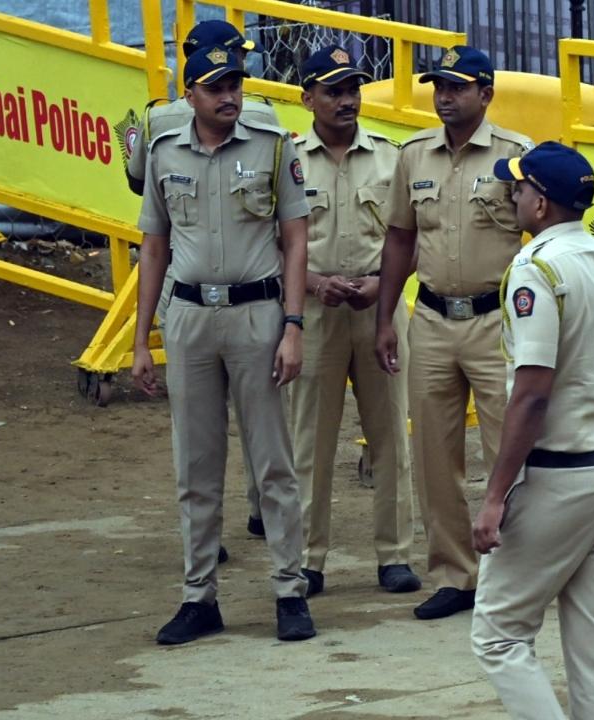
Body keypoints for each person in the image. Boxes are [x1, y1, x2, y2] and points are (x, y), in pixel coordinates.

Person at [132, 45, 316, 644]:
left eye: (234, 83)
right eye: (214, 86)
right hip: (188, 318)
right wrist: (141, 341)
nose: (228, 96)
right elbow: (153, 249)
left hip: (257, 316)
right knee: (196, 464)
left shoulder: (271, 145)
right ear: (190, 95)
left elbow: (295, 240)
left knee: (273, 463)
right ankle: (198, 596)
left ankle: (291, 591)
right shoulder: (162, 152)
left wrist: (293, 325)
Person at [470, 141, 594, 720]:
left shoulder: (536, 269)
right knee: (593, 645)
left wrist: (496, 496)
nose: (514, 195)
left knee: (499, 637)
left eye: (521, 188)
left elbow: (531, 394)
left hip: (559, 478)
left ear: (543, 205)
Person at [375, 45, 532, 621]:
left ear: (485, 94)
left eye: (458, 87)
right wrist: (386, 319)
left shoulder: (517, 157)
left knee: (509, 452)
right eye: (439, 86)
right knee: (435, 454)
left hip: (498, 322)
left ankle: (513, 573)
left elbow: (540, 237)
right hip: (433, 319)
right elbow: (398, 238)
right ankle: (455, 576)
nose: (445, 96)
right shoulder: (414, 156)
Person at [125, 19, 277, 540]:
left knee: (193, 433)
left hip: (181, 285)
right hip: (252, 284)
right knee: (265, 422)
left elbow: (139, 187)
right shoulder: (267, 118)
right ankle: (260, 510)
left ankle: (205, 536)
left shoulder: (154, 120)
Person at [289, 46, 420, 597]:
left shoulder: (392, 159)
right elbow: (273, 244)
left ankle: (394, 555)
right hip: (315, 313)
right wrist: (315, 286)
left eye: (353, 90)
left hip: (380, 313)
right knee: (308, 442)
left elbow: (413, 239)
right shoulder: (288, 161)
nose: (347, 101)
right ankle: (305, 559)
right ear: (307, 98)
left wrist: (381, 289)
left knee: (391, 433)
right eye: (333, 91)